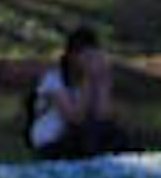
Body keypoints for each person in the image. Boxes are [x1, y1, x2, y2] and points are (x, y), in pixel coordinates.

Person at [26, 28, 118, 160]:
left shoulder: (95, 78)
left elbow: (103, 115)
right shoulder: (53, 80)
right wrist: (87, 80)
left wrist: (103, 83)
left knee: (111, 133)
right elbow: (76, 118)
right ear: (72, 56)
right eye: (86, 56)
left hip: (81, 138)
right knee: (87, 135)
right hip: (52, 140)